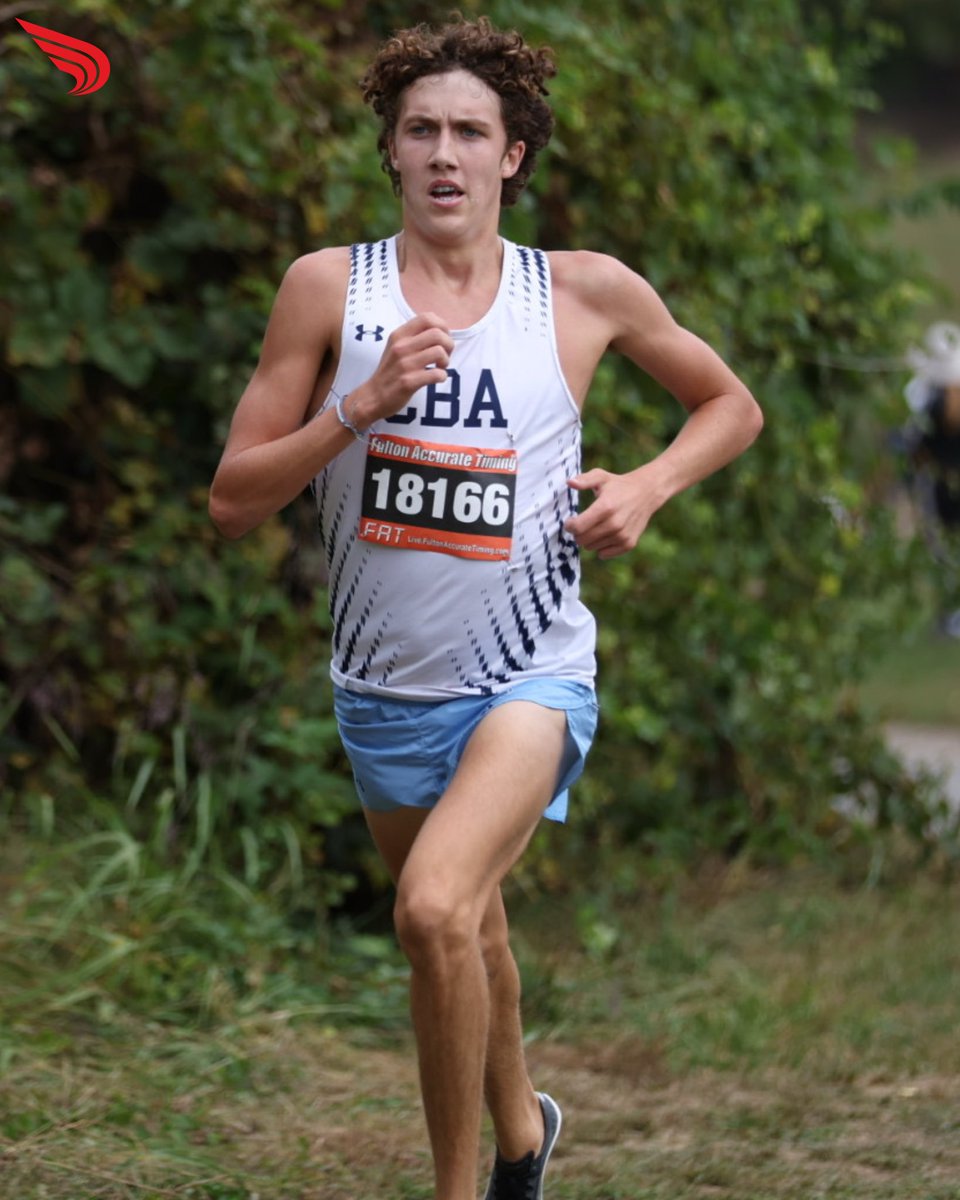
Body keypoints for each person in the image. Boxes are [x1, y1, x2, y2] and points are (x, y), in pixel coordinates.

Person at [208, 16, 762, 1200]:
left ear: (513, 155)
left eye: (471, 130)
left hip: (531, 672)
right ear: (393, 153)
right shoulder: (329, 290)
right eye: (422, 131)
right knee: (473, 933)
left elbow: (731, 407)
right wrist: (358, 409)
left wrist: (651, 485)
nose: (445, 153)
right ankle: (524, 1141)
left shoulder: (581, 292)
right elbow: (232, 500)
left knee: (432, 909)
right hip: (384, 689)